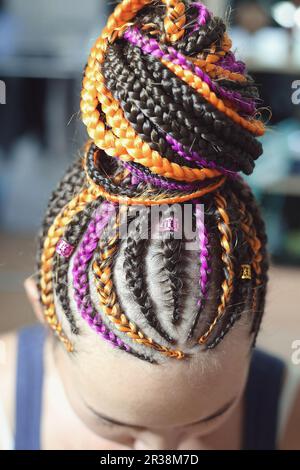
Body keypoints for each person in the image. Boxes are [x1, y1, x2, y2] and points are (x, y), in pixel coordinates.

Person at [0, 0, 299, 450]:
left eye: (209, 420)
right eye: (114, 426)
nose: (159, 452)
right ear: (44, 313)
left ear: (256, 317)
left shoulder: (287, 412)